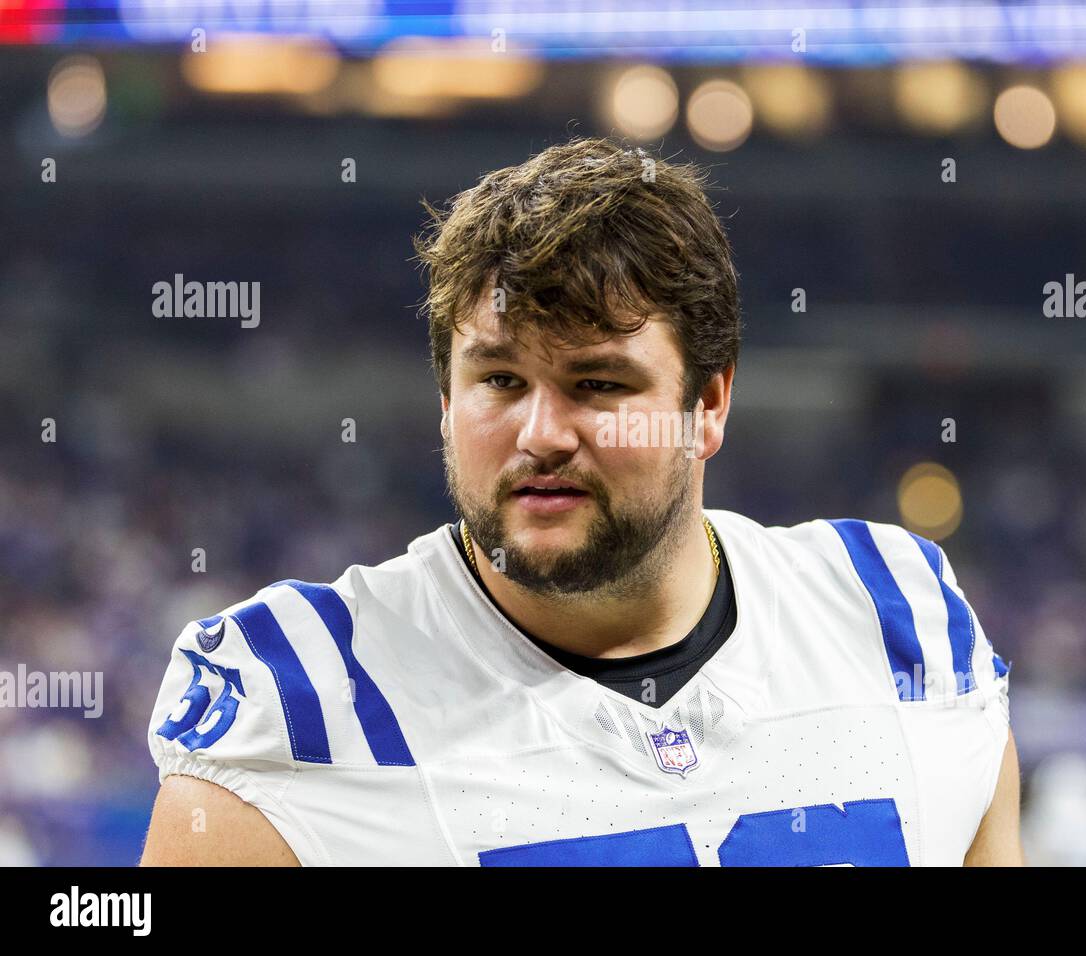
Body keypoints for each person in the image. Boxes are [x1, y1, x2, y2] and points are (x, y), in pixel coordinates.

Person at [140, 137, 1022, 866]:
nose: (540, 433)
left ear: (707, 406)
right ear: (446, 403)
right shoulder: (298, 699)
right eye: (499, 379)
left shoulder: (896, 619)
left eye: (597, 383)